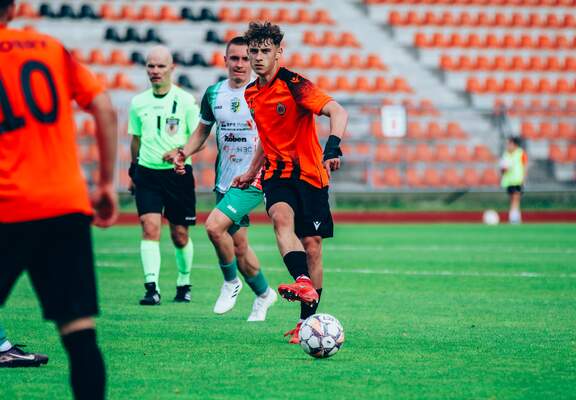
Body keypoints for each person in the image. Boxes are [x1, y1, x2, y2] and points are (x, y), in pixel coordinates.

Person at [0, 0, 118, 398]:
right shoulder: (48, 48)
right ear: (13, 9)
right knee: (79, 333)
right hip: (63, 205)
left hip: (6, 207)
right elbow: (103, 107)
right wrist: (105, 183)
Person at [234, 22, 348, 343]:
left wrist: (333, 146)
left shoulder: (295, 85)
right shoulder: (251, 93)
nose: (258, 57)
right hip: (276, 174)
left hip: (310, 174)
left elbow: (337, 111)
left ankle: (306, 323)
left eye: (265, 51)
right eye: (253, 51)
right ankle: (302, 281)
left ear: (279, 53)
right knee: (280, 217)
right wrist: (251, 170)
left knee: (312, 246)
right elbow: (266, 136)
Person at [164, 37, 277, 321]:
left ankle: (230, 282)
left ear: (253, 60)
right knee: (239, 248)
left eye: (245, 58)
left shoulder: (264, 93)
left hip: (254, 178)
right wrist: (183, 153)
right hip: (225, 180)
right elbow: (202, 131)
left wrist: (256, 170)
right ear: (225, 60)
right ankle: (264, 294)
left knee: (214, 227)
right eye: (234, 58)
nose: (239, 64)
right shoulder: (214, 94)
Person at [128, 46, 200, 305]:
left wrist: (180, 151)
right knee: (150, 228)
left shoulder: (186, 101)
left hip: (177, 175)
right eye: (151, 65)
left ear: (172, 68)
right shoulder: (138, 102)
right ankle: (152, 288)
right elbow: (136, 139)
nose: (155, 71)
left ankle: (184, 282)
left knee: (179, 234)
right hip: (147, 174)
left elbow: (199, 137)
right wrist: (133, 170)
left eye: (160, 66)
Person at [500, 136, 528, 224]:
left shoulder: (520, 153)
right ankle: (516, 218)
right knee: (513, 200)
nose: (508, 146)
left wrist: (524, 178)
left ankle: (513, 218)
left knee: (516, 198)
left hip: (517, 180)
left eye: (510, 144)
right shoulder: (505, 154)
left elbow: (524, 166)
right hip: (509, 181)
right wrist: (504, 169)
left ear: (515, 145)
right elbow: (502, 169)